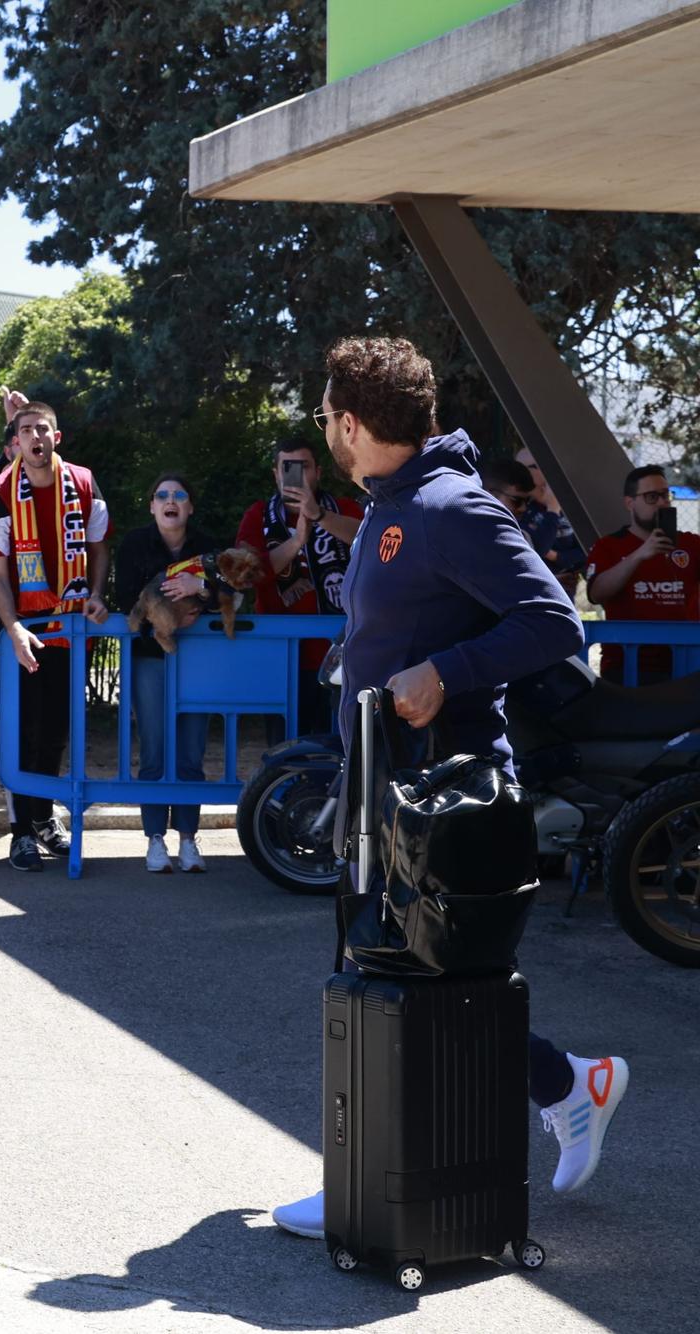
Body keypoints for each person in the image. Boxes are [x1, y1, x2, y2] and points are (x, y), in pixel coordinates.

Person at [270, 335, 628, 1238]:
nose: (327, 433)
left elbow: (553, 620)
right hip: (389, 789)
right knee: (406, 985)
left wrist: (443, 670)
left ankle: (377, 1175)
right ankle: (556, 1087)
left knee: (417, 985)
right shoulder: (396, 504)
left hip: (441, 800)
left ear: (351, 424)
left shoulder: (448, 507)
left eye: (327, 419)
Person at [0, 401, 111, 873]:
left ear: (58, 436)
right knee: (20, 731)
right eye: (26, 429)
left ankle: (45, 817)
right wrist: (11, 628)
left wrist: (97, 593)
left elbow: (98, 547)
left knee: (55, 730)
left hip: (71, 628)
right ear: (16, 439)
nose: (35, 436)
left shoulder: (85, 483)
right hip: (23, 630)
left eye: (43, 428)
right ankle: (20, 833)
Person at [112, 474, 218, 873]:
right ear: (152, 506)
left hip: (198, 660)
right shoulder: (135, 544)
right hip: (149, 657)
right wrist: (164, 608)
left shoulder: (207, 546)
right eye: (162, 495)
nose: (170, 501)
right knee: (154, 747)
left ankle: (189, 838)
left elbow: (231, 591)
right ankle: (154, 838)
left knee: (192, 751)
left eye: (179, 495)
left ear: (189, 507)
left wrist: (200, 590)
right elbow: (124, 599)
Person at [235, 438, 364, 740]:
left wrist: (319, 516)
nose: (295, 476)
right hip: (281, 657)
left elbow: (371, 540)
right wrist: (295, 543)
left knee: (339, 745)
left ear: (317, 472)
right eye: (287, 467)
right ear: (276, 474)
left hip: (340, 654)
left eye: (303, 467)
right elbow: (246, 574)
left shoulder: (341, 509)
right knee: (284, 746)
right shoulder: (257, 516)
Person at [585, 465, 700, 685]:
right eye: (651, 496)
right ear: (630, 503)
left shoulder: (691, 544)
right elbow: (596, 594)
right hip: (629, 665)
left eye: (665, 495)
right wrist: (639, 555)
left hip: (687, 662)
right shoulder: (608, 546)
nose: (661, 502)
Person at [514, 446, 587, 594]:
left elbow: (584, 553)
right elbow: (534, 550)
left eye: (532, 467)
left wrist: (557, 556)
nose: (519, 475)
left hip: (564, 591)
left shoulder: (571, 508)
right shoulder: (519, 508)